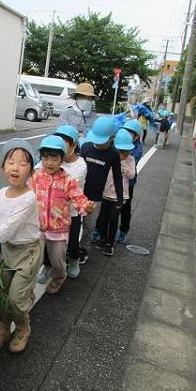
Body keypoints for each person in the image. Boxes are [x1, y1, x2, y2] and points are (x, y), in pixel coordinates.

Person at [0, 139, 42, 354]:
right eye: (11, 161)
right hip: (7, 249)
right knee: (0, 293)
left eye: (23, 163)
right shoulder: (2, 193)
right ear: (3, 167)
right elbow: (0, 224)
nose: (16, 167)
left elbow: (7, 229)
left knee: (16, 299)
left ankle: (23, 328)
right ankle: (3, 328)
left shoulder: (28, 198)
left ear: (31, 171)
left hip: (28, 252)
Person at [32, 136, 95, 294]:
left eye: (54, 158)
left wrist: (86, 207)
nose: (49, 163)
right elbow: (26, 196)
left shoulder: (68, 180)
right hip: (38, 229)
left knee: (58, 262)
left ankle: (59, 277)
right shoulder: (36, 176)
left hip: (58, 231)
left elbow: (79, 198)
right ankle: (35, 282)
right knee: (33, 261)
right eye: (45, 158)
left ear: (62, 159)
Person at [79, 117, 123, 262]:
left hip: (95, 197)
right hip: (78, 193)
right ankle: (70, 249)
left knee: (88, 226)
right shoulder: (86, 147)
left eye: (102, 140)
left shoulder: (113, 154)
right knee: (72, 224)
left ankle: (83, 250)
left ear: (111, 138)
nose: (98, 143)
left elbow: (117, 177)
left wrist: (120, 198)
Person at [53, 125, 87, 278]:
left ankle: (73, 260)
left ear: (74, 145)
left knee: (73, 242)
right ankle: (48, 267)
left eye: (64, 145)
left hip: (72, 211)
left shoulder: (80, 165)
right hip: (53, 211)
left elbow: (65, 188)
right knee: (50, 240)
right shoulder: (54, 160)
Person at [95, 129, 136, 256]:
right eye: (120, 151)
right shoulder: (109, 156)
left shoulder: (130, 160)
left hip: (120, 196)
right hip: (106, 193)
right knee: (103, 217)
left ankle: (110, 243)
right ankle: (102, 238)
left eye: (125, 151)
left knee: (113, 219)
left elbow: (132, 176)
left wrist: (122, 166)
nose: (123, 154)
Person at [117, 119, 144, 244]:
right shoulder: (118, 140)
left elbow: (129, 161)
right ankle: (100, 230)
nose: (126, 135)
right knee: (108, 205)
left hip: (128, 183)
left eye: (130, 133)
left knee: (125, 207)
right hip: (114, 179)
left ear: (137, 136)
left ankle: (123, 231)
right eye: (125, 131)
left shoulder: (137, 148)